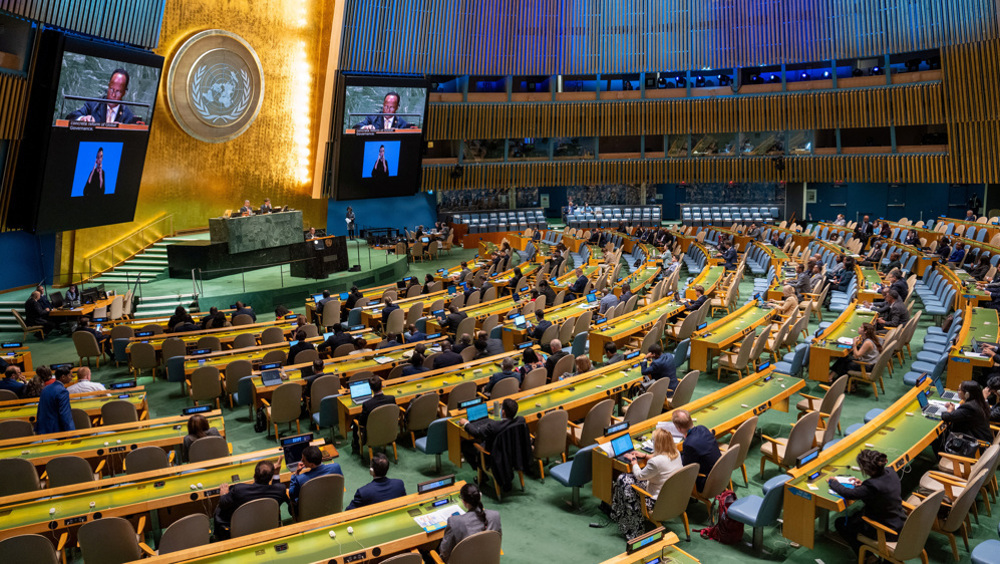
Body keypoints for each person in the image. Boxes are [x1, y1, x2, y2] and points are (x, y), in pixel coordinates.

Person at [828, 449, 906, 557]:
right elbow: (879, 494)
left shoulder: (872, 486)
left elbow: (848, 493)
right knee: (856, 516)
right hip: (899, 522)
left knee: (841, 523)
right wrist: (863, 486)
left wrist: (833, 482)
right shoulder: (890, 472)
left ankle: (868, 557)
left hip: (886, 531)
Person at [610, 428, 683, 538]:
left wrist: (634, 461)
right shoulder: (676, 452)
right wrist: (645, 456)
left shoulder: (656, 462)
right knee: (625, 478)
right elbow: (662, 459)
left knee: (623, 480)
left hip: (656, 500)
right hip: (673, 496)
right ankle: (619, 513)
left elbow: (639, 476)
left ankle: (633, 529)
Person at [214, 460, 287, 540]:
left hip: (241, 531)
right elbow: (277, 488)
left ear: (254, 475)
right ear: (271, 477)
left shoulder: (239, 490)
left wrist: (224, 493)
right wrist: (276, 474)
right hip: (266, 526)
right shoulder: (280, 490)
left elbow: (223, 503)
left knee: (219, 511)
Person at [437, 483, 502, 561]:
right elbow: (497, 542)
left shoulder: (454, 522)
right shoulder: (495, 516)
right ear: (480, 497)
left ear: (463, 501)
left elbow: (444, 553)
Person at [459, 398, 525, 471]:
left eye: (501, 407)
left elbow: (476, 433)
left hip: (495, 456)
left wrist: (466, 423)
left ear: (503, 412)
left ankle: (481, 472)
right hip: (512, 453)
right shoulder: (519, 422)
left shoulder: (494, 426)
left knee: (465, 445)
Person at [66, 69, 142, 124]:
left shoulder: (128, 115)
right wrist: (82, 118)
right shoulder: (93, 104)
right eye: (112, 89)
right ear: (108, 86)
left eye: (118, 91)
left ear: (124, 92)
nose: (113, 95)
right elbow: (71, 117)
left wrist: (121, 130)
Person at [672, 409, 720, 489]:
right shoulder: (702, 428)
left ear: (679, 429)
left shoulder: (688, 443)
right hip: (721, 471)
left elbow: (685, 466)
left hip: (706, 481)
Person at [35, 367, 74, 434]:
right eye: (70, 376)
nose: (72, 378)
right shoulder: (62, 391)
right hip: (55, 429)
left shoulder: (46, 388)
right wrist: (72, 433)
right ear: (63, 377)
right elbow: (65, 414)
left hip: (42, 427)